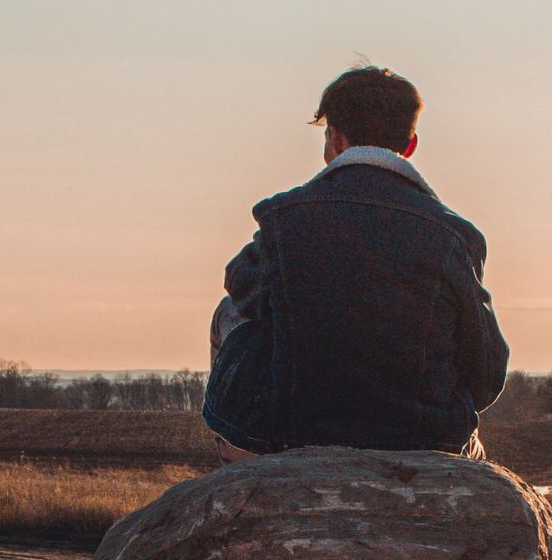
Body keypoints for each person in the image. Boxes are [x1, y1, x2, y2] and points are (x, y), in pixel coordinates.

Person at [203, 65, 509, 459]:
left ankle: (233, 471)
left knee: (227, 312)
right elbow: (487, 372)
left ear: (334, 138)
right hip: (426, 442)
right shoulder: (454, 237)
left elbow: (241, 285)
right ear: (410, 144)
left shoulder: (284, 218)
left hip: (287, 435)